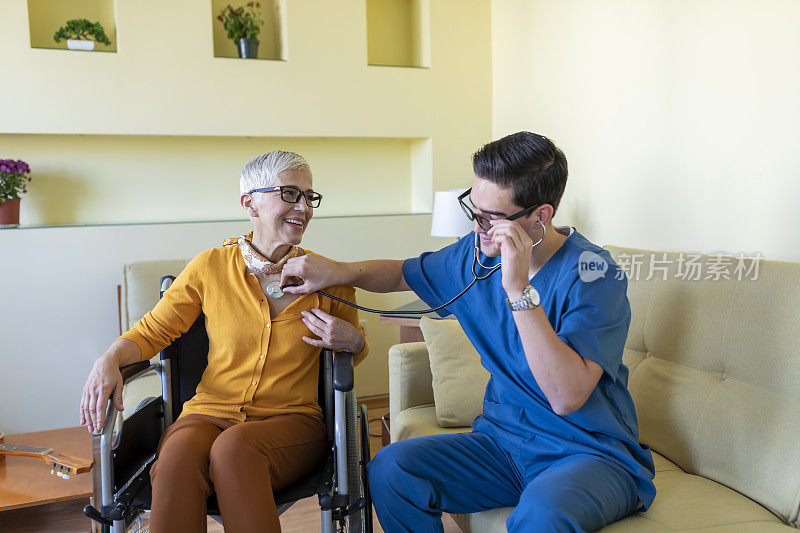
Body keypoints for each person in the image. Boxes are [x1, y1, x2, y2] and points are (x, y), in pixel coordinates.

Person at [279, 132, 656, 532]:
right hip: (504, 446)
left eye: (490, 217)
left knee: (543, 514)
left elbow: (566, 396)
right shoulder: (475, 254)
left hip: (588, 455)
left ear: (540, 216)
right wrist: (335, 271)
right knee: (391, 468)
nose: (477, 226)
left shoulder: (594, 273)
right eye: (473, 209)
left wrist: (518, 291)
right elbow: (404, 272)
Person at [79, 151, 369, 533]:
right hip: (208, 412)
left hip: (291, 422)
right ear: (249, 202)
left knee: (234, 449)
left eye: (308, 197)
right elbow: (153, 331)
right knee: (177, 457)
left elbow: (355, 350)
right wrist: (108, 359)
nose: (303, 207)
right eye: (289, 193)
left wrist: (355, 341)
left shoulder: (330, 276)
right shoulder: (210, 267)